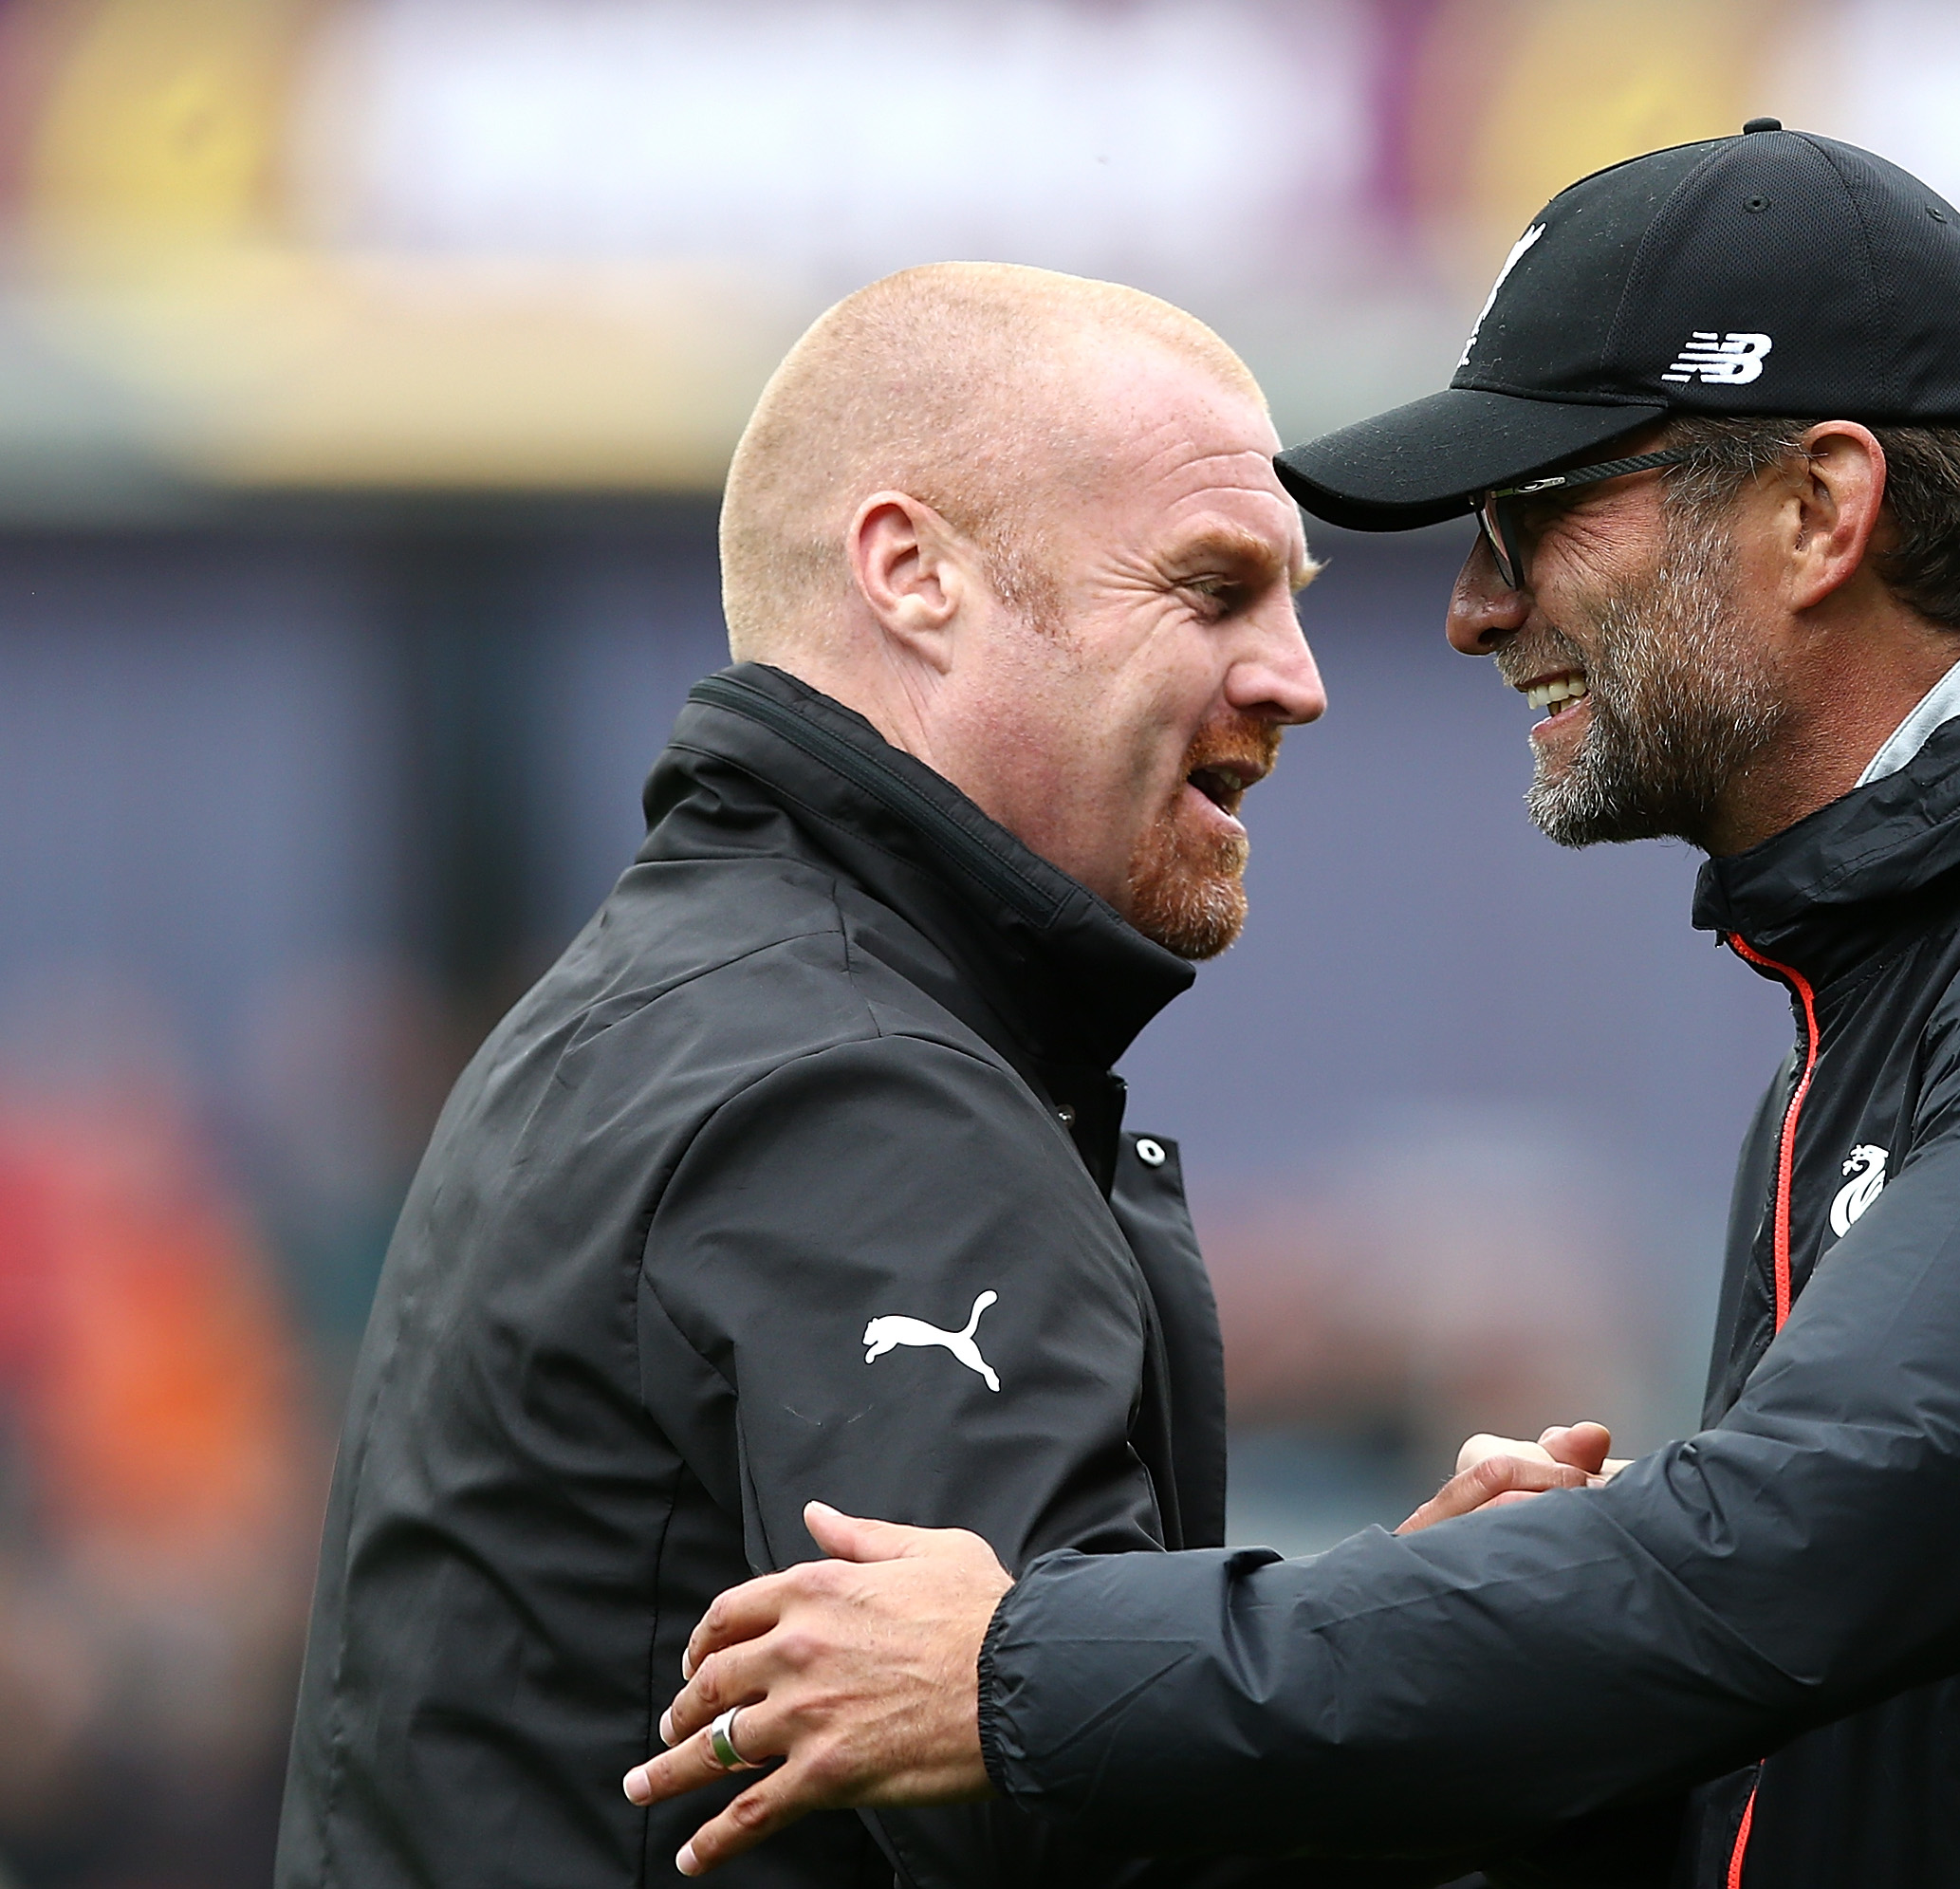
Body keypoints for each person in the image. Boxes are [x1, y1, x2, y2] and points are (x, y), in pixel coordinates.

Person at [633, 128, 1960, 1886]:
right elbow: (1835, 1698)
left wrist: (1021, 1675)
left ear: (1825, 509)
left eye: (1540, 511)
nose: (1469, 609)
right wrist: (1489, 1645)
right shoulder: (1914, 973)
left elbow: (1779, 1564)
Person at [275, 263, 1341, 1886]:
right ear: (913, 575)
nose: (1296, 678)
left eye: (1296, 600)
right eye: (1212, 590)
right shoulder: (861, 1092)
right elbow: (1081, 1830)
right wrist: (1452, 1695)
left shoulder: (674, 998)